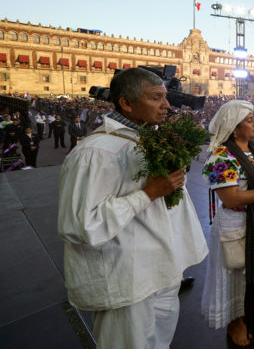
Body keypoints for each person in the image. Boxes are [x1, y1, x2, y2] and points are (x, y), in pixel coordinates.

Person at [57, 68, 208, 349]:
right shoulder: (96, 152)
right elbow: (81, 225)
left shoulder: (149, 141)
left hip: (161, 272)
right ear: (126, 103)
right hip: (128, 283)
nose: (167, 105)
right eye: (156, 98)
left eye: (166, 97)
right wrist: (149, 193)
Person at [201, 100, 254, 346]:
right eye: (249, 120)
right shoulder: (222, 157)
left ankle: (253, 313)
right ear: (234, 128)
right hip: (235, 224)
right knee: (234, 278)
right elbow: (230, 198)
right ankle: (235, 323)